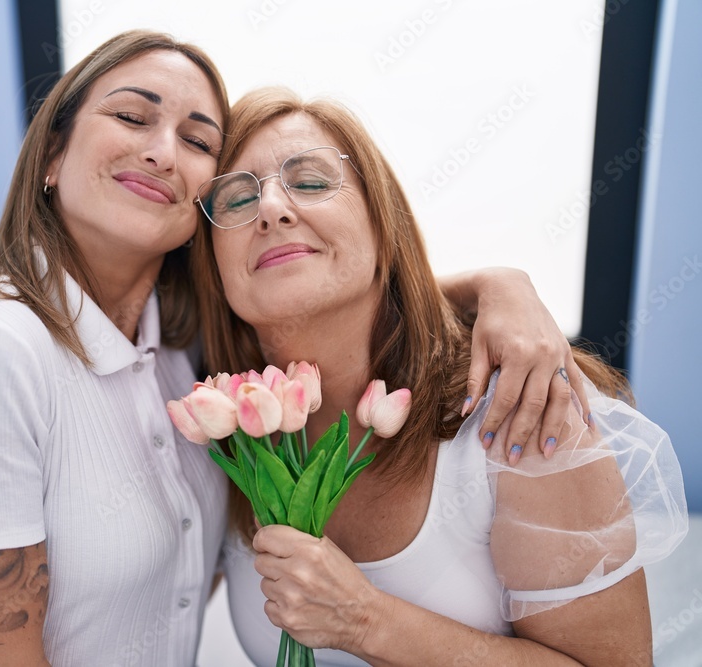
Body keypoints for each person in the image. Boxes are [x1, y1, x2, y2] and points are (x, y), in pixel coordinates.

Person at [0, 30, 598, 666]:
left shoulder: (185, 357)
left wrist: (501, 285)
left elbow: (332, 278)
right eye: (132, 117)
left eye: (200, 142)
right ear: (51, 153)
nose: (163, 151)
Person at [192, 87, 688, 665]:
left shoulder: (517, 409)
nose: (273, 209)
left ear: (383, 228)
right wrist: (493, 283)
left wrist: (364, 620)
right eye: (235, 200)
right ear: (214, 266)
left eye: (310, 182)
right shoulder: (220, 427)